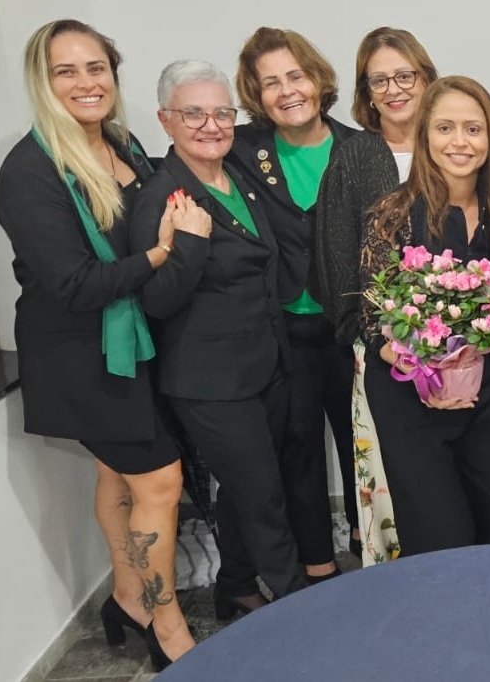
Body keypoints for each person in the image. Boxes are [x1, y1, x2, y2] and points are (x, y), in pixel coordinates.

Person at [0, 20, 200, 671]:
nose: (86, 82)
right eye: (66, 71)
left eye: (96, 67)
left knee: (119, 475)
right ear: (42, 81)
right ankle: (165, 622)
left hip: (129, 340)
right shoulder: (29, 169)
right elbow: (77, 283)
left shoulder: (121, 141)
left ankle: (127, 597)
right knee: (161, 481)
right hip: (80, 354)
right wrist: (165, 250)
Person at [130, 60, 307, 620]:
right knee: (262, 495)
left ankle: (235, 586)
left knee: (250, 487)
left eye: (221, 112)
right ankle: (303, 605)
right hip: (210, 380)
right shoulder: (160, 196)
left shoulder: (239, 176)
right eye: (193, 113)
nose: (211, 124)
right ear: (165, 120)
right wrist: (190, 245)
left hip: (265, 364)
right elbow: (155, 302)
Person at [358, 76, 490, 554]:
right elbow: (371, 320)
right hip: (412, 402)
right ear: (425, 136)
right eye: (446, 128)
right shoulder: (393, 214)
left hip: (481, 401)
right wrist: (425, 371)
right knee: (442, 539)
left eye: (473, 129)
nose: (460, 142)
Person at [231, 27, 356, 583]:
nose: (287, 91)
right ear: (256, 95)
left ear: (317, 79)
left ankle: (367, 546)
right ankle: (318, 567)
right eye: (270, 83)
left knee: (363, 443)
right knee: (299, 448)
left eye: (296, 76)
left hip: (349, 326)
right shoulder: (238, 149)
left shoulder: (358, 148)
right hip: (282, 329)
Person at [314, 26, 439, 563]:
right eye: (378, 80)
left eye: (404, 75)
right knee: (395, 483)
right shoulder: (355, 157)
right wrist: (372, 335)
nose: (394, 89)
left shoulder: (453, 138)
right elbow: (337, 257)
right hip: (385, 351)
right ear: (366, 92)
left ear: (426, 77)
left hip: (456, 350)